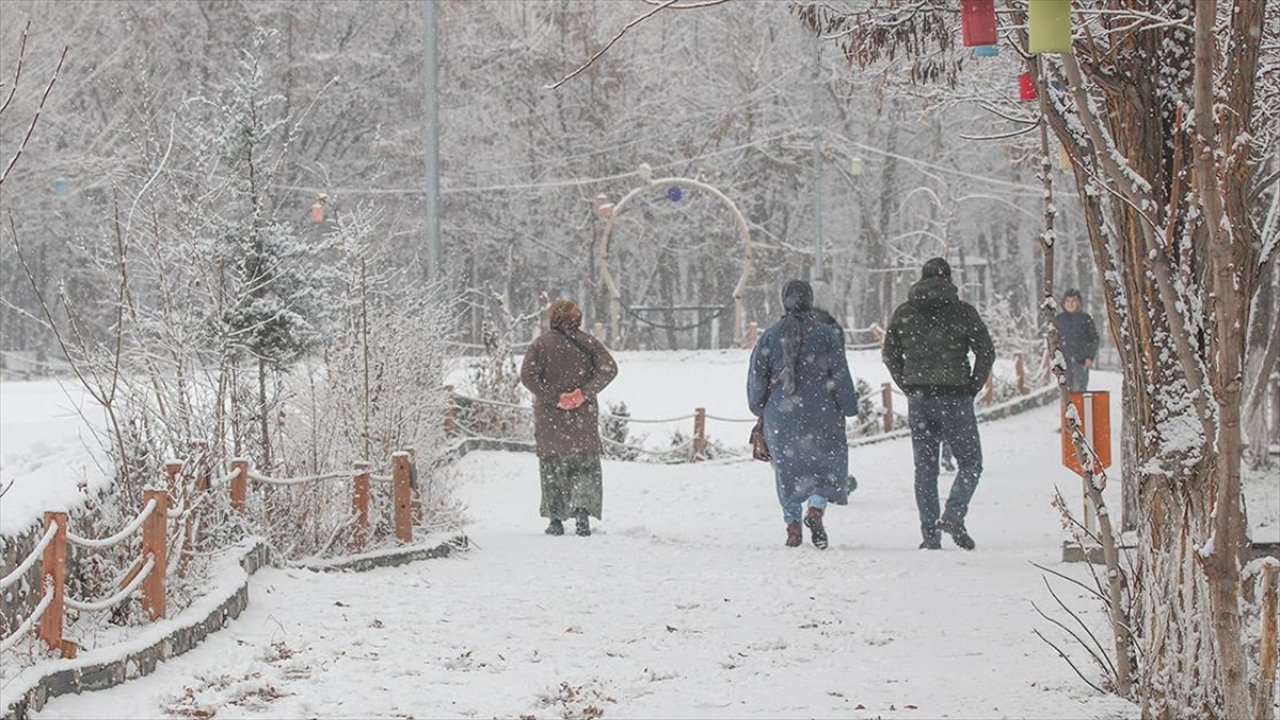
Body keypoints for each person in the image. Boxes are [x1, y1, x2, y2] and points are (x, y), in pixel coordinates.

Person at [882, 258, 994, 551]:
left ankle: (930, 535)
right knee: (970, 462)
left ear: (921, 278)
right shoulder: (962, 312)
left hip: (920, 398)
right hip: (956, 396)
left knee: (925, 468)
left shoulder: (905, 313)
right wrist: (972, 385)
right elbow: (986, 351)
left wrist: (907, 383)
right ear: (949, 279)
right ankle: (954, 514)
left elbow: (889, 353)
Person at [748, 279, 860, 549]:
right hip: (822, 413)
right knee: (824, 468)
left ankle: (792, 526)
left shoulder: (769, 336)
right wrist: (849, 406)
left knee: (787, 470)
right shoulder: (826, 335)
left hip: (781, 415)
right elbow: (841, 375)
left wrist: (759, 407)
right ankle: (815, 511)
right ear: (810, 300)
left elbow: (757, 377)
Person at [519, 299, 618, 537]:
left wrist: (554, 397)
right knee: (584, 468)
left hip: (551, 419)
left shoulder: (540, 346)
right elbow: (609, 369)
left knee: (553, 467)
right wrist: (583, 393)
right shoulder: (589, 343)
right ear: (578, 318)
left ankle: (555, 520)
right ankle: (582, 514)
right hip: (582, 419)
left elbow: (528, 377)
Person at [1053, 289, 1099, 392]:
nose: (1070, 304)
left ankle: (1080, 408)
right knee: (1065, 392)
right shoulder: (1059, 320)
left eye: (1073, 301)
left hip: (1081, 361)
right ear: (1063, 303)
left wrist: (1090, 357)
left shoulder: (1086, 319)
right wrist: (1054, 358)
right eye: (1068, 301)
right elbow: (1052, 340)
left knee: (1079, 391)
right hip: (1063, 362)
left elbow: (1094, 339)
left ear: (1078, 303)